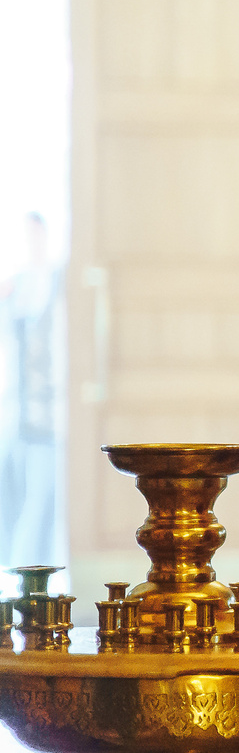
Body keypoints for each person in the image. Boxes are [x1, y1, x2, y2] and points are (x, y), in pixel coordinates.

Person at [0, 212, 64, 568]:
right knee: (10, 502)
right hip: (14, 414)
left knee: (41, 502)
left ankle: (32, 582)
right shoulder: (15, 287)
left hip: (48, 419)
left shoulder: (58, 285)